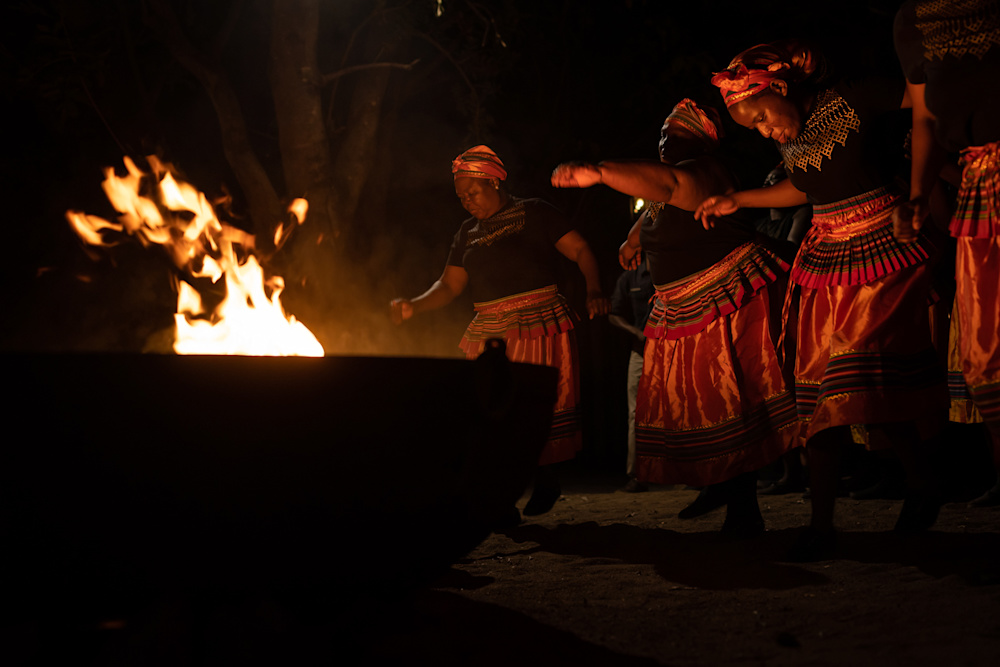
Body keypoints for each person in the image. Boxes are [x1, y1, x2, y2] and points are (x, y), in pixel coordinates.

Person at [695, 42, 948, 560]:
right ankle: (834, 518)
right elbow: (807, 188)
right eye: (756, 130)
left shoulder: (850, 101)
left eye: (763, 117)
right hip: (825, 256)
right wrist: (739, 198)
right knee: (823, 391)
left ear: (781, 88)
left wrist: (920, 190)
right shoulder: (791, 134)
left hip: (881, 245)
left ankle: (854, 512)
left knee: (850, 382)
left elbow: (928, 102)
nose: (766, 132)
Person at [552, 99, 800, 537]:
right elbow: (656, 207)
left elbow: (667, 186)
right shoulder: (677, 179)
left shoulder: (705, 170)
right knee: (698, 402)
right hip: (685, 303)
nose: (664, 138)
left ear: (700, 138)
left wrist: (600, 172)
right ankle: (718, 484)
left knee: (728, 397)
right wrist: (633, 240)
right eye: (663, 131)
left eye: (675, 131)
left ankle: (744, 506)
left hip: (723, 297)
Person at [391, 145, 610, 520]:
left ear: (494, 181)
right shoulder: (466, 233)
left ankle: (543, 478)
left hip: (538, 322)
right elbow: (449, 285)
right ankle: (500, 500)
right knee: (490, 412)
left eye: (472, 193)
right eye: (460, 196)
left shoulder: (535, 212)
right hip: (488, 329)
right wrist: (414, 304)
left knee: (527, 405)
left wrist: (593, 289)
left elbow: (581, 250)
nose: (466, 202)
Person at [893, 0, 1000, 507]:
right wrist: (917, 195)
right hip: (981, 185)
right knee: (986, 350)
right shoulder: (912, 21)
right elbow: (925, 116)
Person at [608, 258, 654, 492]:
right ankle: (637, 474)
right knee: (635, 413)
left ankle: (688, 472)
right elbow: (613, 313)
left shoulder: (666, 267)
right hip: (640, 351)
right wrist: (635, 332)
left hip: (669, 347)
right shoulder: (630, 276)